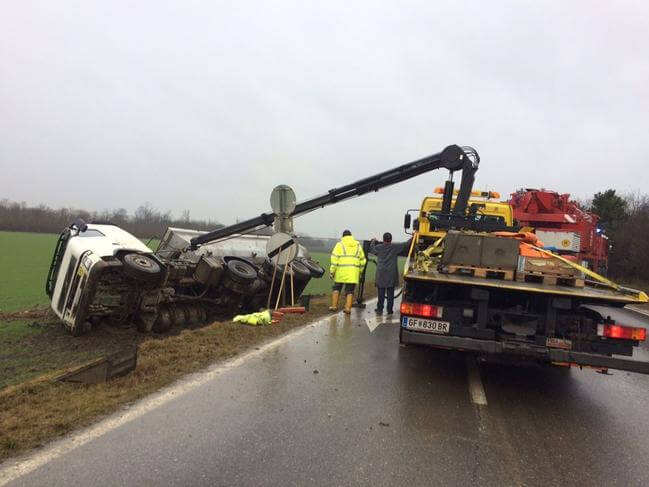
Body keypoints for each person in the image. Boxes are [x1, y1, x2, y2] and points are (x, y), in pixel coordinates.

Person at [369, 232, 412, 314]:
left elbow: (371, 249)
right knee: (390, 293)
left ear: (383, 239)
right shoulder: (395, 247)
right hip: (391, 273)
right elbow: (406, 244)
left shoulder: (379, 247)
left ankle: (379, 308)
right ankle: (389, 310)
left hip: (381, 273)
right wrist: (414, 236)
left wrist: (373, 241)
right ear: (391, 239)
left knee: (381, 293)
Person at [329, 230, 367, 314]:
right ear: (351, 235)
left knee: (336, 288)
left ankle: (334, 306)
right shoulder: (357, 245)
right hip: (353, 273)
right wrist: (360, 271)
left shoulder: (339, 245)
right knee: (350, 291)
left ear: (343, 236)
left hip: (340, 272)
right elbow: (363, 261)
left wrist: (332, 272)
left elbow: (334, 260)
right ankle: (348, 308)